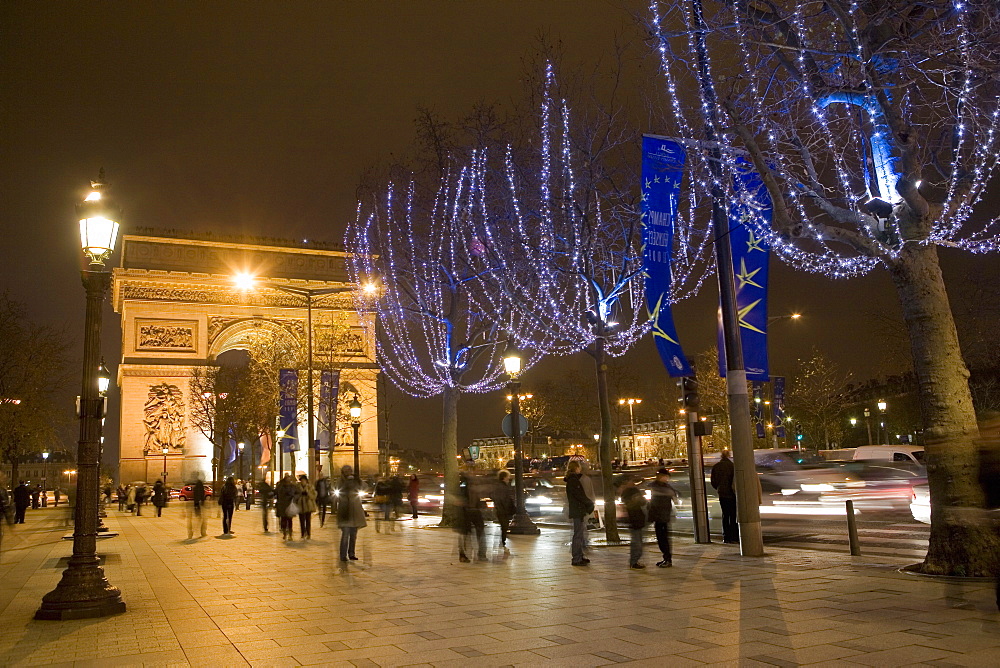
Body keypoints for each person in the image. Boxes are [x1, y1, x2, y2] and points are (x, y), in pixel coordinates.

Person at [334, 465, 366, 562]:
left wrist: (358, 479)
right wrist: (347, 482)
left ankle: (351, 553)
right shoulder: (340, 481)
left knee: (353, 535)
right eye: (346, 470)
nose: (348, 472)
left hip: (355, 510)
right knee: (345, 534)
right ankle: (343, 555)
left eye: (349, 470)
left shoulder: (356, 480)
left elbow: (364, 487)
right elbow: (337, 490)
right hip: (345, 510)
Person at [648, 468, 678, 568]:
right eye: (665, 476)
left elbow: (674, 497)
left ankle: (667, 559)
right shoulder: (656, 486)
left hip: (663, 516)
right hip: (658, 515)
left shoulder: (664, 487)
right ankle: (666, 558)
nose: (666, 478)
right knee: (661, 539)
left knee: (663, 539)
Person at [565, 461, 593, 566]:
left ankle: (579, 556)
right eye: (579, 467)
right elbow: (579, 495)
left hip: (577, 509)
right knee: (578, 534)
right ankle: (576, 558)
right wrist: (589, 503)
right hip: (577, 510)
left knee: (580, 534)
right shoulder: (573, 480)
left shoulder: (573, 479)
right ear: (576, 468)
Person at [457, 467, 486, 562]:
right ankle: (464, 555)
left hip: (474, 510)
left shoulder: (473, 482)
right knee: (465, 533)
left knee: (479, 531)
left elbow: (478, 496)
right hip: (466, 511)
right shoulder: (463, 484)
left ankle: (481, 554)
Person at [711, 449, 738, 544]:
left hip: (722, 494)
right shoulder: (732, 466)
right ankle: (734, 535)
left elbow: (713, 482)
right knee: (733, 515)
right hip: (732, 494)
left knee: (725, 515)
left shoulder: (716, 466)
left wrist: (719, 488)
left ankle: (726, 536)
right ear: (729, 456)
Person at [621, 478, 648, 569]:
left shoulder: (635, 491)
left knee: (639, 541)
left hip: (639, 519)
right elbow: (628, 505)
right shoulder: (626, 492)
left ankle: (635, 560)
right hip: (633, 520)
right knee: (637, 542)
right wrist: (635, 499)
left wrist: (639, 499)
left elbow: (643, 502)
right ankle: (634, 561)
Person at [492, 470, 515, 550]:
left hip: (501, 509)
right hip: (503, 509)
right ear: (504, 477)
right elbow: (504, 499)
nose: (509, 479)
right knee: (504, 525)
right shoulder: (502, 487)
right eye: (508, 477)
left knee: (504, 525)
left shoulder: (499, 486)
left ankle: (502, 541)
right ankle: (502, 541)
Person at [275, 474, 300, 541]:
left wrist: (294, 498)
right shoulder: (281, 486)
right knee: (284, 520)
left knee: (289, 520)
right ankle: (285, 533)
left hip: (289, 505)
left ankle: (289, 534)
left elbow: (298, 493)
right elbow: (276, 493)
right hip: (282, 505)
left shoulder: (292, 486)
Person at [297, 474, 317, 539]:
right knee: (302, 521)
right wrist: (300, 495)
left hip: (308, 506)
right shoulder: (298, 487)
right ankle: (303, 533)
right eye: (301, 480)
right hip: (300, 506)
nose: (303, 482)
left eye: (304, 480)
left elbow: (314, 495)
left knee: (308, 521)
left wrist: (308, 494)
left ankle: (308, 534)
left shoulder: (310, 487)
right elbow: (295, 495)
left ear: (306, 481)